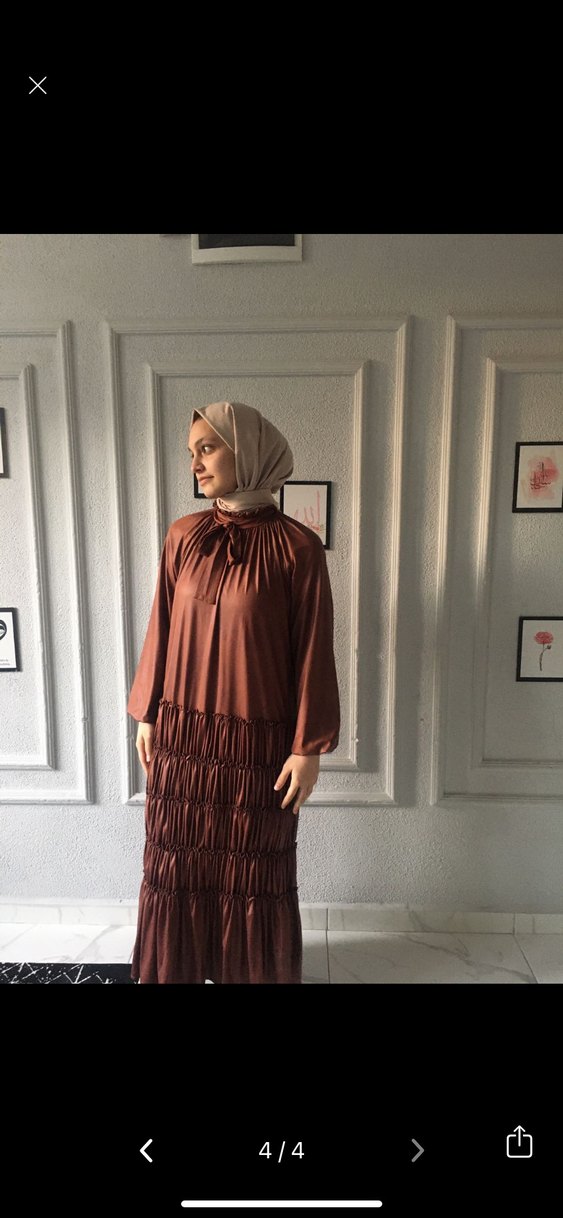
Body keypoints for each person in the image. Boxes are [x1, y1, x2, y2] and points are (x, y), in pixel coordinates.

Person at [127, 401, 340, 983]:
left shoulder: (298, 548)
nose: (195, 464)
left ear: (246, 451)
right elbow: (161, 625)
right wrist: (147, 712)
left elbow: (313, 650)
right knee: (177, 865)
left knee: (254, 872)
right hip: (184, 741)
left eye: (207, 448)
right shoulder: (183, 536)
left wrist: (308, 748)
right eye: (191, 452)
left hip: (257, 748)